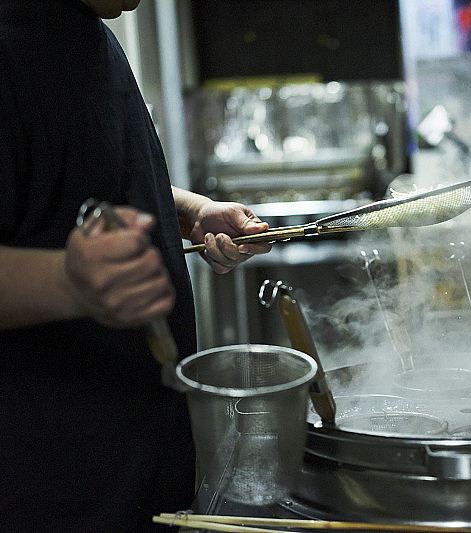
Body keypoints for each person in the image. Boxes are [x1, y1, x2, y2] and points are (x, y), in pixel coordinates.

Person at [0, 0, 271, 530]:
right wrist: (69, 283)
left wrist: (193, 211)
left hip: (144, 467)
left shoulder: (86, 30)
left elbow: (85, 175)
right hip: (52, 492)